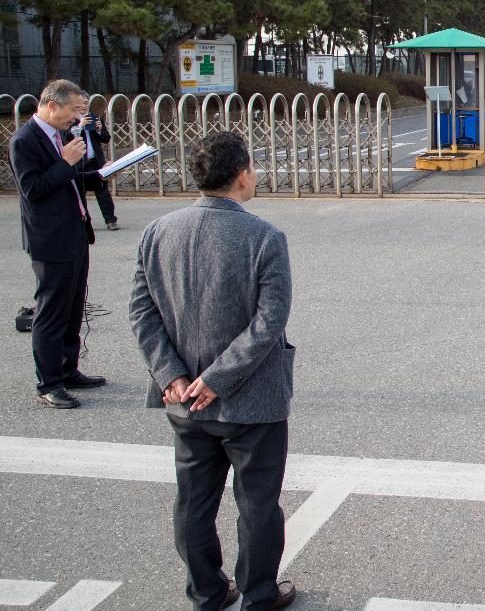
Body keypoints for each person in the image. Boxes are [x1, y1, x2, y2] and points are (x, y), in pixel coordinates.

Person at [129, 131, 297, 610]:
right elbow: (269, 322)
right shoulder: (264, 237)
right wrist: (218, 378)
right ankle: (258, 594)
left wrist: (172, 375)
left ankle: (205, 591)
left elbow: (142, 312)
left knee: (194, 500)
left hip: (183, 401)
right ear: (242, 173)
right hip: (250, 401)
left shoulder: (158, 232)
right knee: (258, 503)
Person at [8, 79, 105, 409]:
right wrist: (65, 162)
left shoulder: (62, 135)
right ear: (52, 105)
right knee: (51, 311)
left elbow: (70, 180)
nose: (78, 118)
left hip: (75, 230)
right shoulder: (24, 141)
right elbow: (33, 189)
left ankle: (67, 368)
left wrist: (100, 174)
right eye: (75, 110)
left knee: (74, 306)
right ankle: (49, 383)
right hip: (49, 238)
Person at [68, 94, 119, 230]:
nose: (84, 106)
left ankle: (110, 220)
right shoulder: (71, 120)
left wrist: (99, 128)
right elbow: (66, 137)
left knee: (103, 191)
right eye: (81, 103)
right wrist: (80, 125)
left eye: (86, 103)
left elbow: (105, 138)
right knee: (80, 192)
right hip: (80, 161)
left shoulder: (94, 117)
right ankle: (83, 221)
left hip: (95, 160)